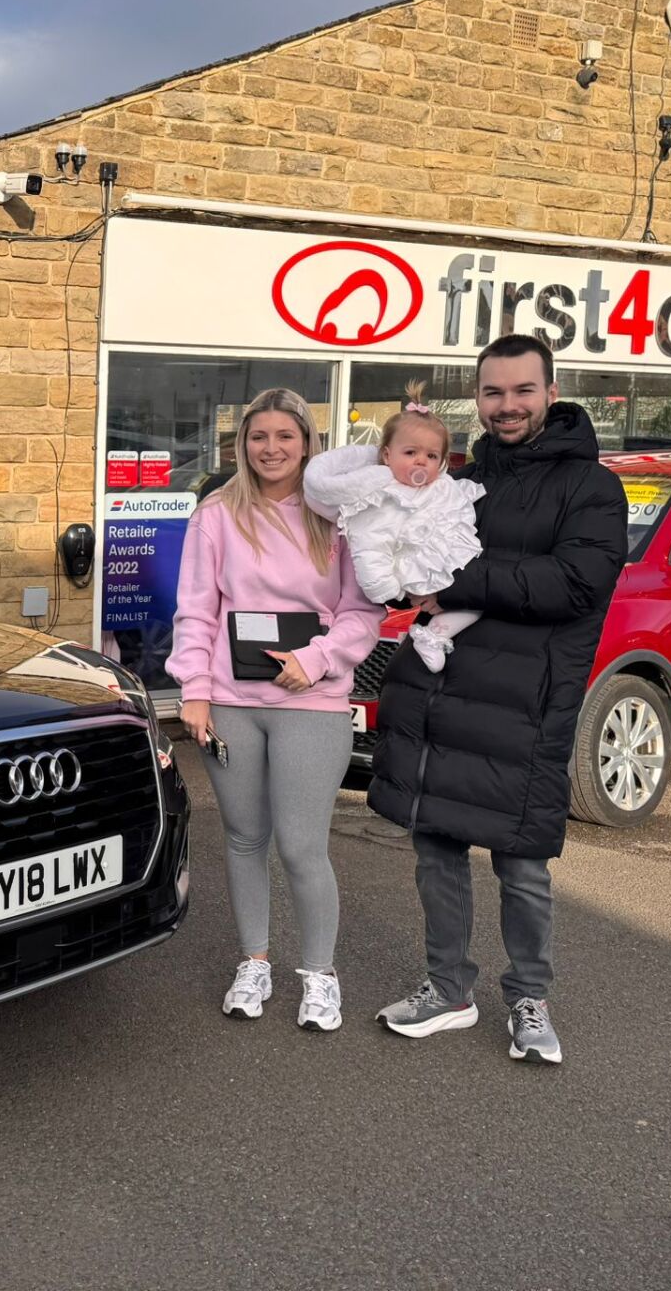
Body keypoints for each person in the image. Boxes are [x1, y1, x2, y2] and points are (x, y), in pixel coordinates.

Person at [366, 335, 626, 1065]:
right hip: (443, 691)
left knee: (521, 864)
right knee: (437, 847)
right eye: (492, 393)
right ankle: (446, 989)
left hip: (525, 701)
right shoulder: (460, 478)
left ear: (550, 393)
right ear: (476, 399)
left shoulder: (591, 488)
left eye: (521, 391)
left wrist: (456, 578)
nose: (506, 406)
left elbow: (573, 585)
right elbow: (406, 554)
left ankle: (530, 999)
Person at [168, 388, 384, 1031]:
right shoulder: (216, 515)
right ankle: (254, 961)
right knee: (242, 838)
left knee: (300, 845)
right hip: (234, 703)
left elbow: (362, 612)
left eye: (284, 437)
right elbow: (197, 610)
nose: (271, 449)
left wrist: (315, 660)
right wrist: (195, 691)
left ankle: (320, 975)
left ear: (306, 443)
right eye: (258, 437)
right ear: (243, 444)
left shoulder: (340, 517)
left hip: (310, 702)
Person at [301, 381, 486, 671]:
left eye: (431, 456)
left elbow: (455, 517)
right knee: (463, 602)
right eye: (410, 453)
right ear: (387, 456)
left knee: (476, 604)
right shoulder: (379, 498)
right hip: (407, 572)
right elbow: (369, 544)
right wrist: (385, 589)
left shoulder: (441, 487)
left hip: (443, 567)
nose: (421, 462)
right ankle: (433, 633)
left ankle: (436, 634)